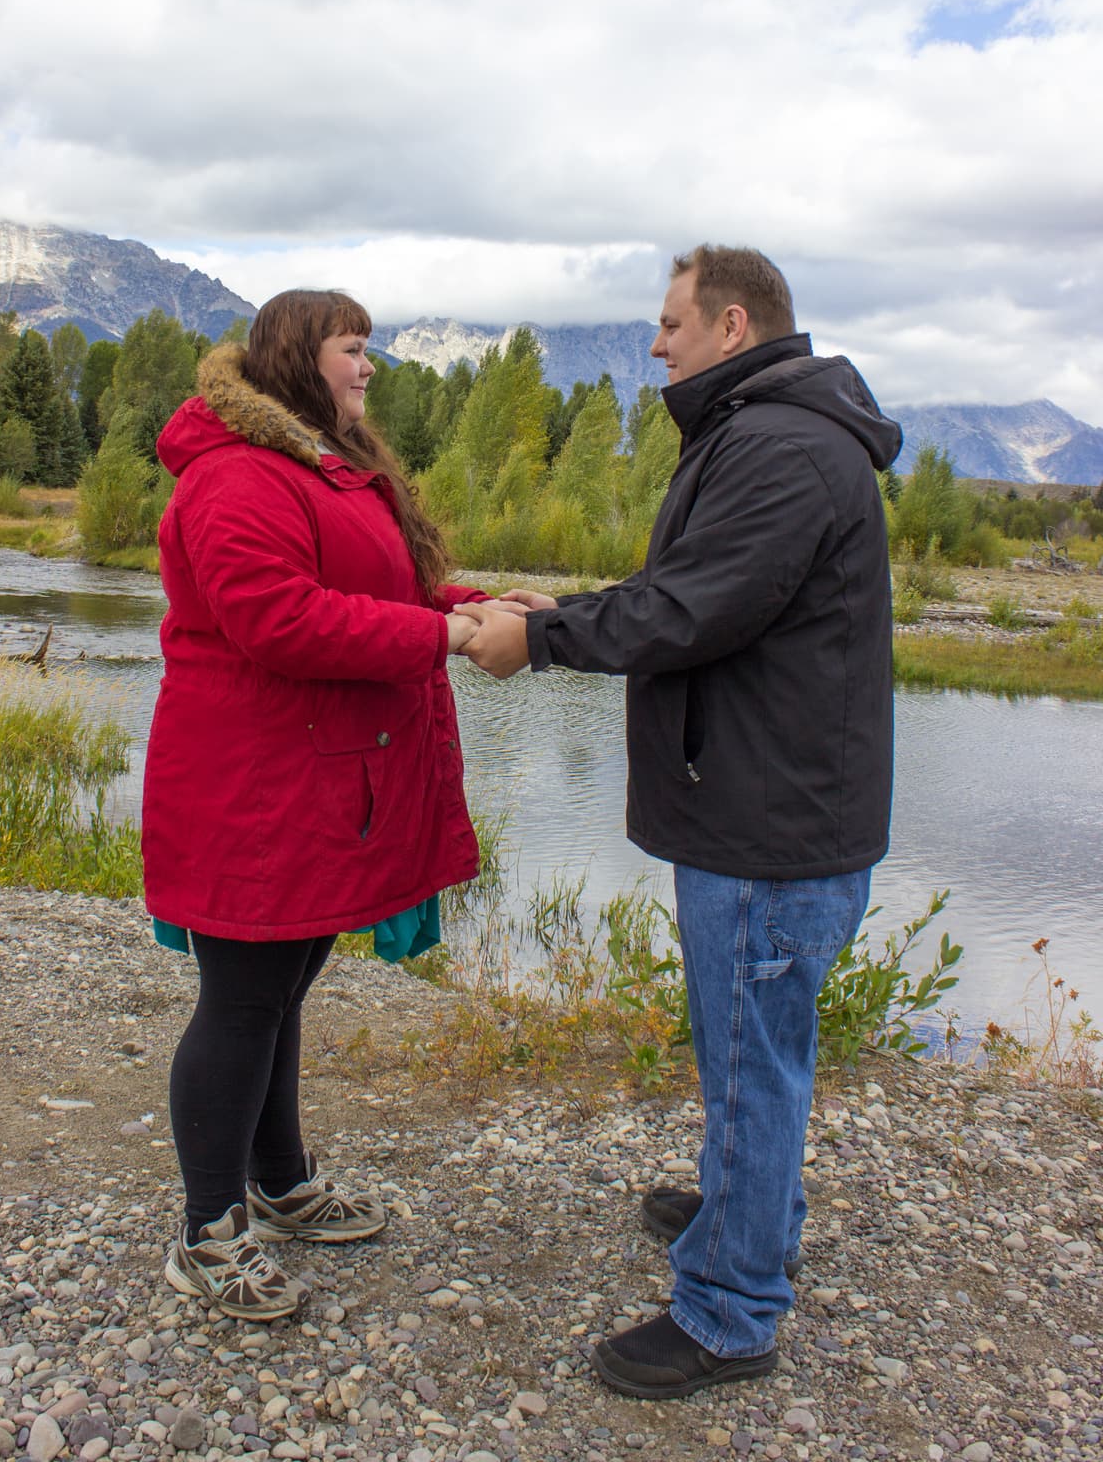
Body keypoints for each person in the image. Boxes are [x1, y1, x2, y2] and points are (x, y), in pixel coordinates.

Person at [458, 244, 901, 1400]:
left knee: (752, 1066)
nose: (654, 344)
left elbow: (694, 608)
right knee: (749, 1055)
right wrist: (568, 611)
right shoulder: (770, 434)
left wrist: (541, 637)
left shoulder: (778, 447)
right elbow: (701, 593)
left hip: (766, 823)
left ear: (732, 325)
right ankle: (748, 1213)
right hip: (767, 805)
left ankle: (728, 1313)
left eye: (668, 324)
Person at [142, 289, 485, 1322]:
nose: (367, 366)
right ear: (300, 358)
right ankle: (206, 1236)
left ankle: (279, 1185)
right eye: (352, 348)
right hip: (247, 786)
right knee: (242, 1002)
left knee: (281, 991)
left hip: (309, 781)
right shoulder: (236, 476)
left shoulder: (318, 469)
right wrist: (446, 641)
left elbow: (375, 595)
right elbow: (276, 620)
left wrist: (475, 609)